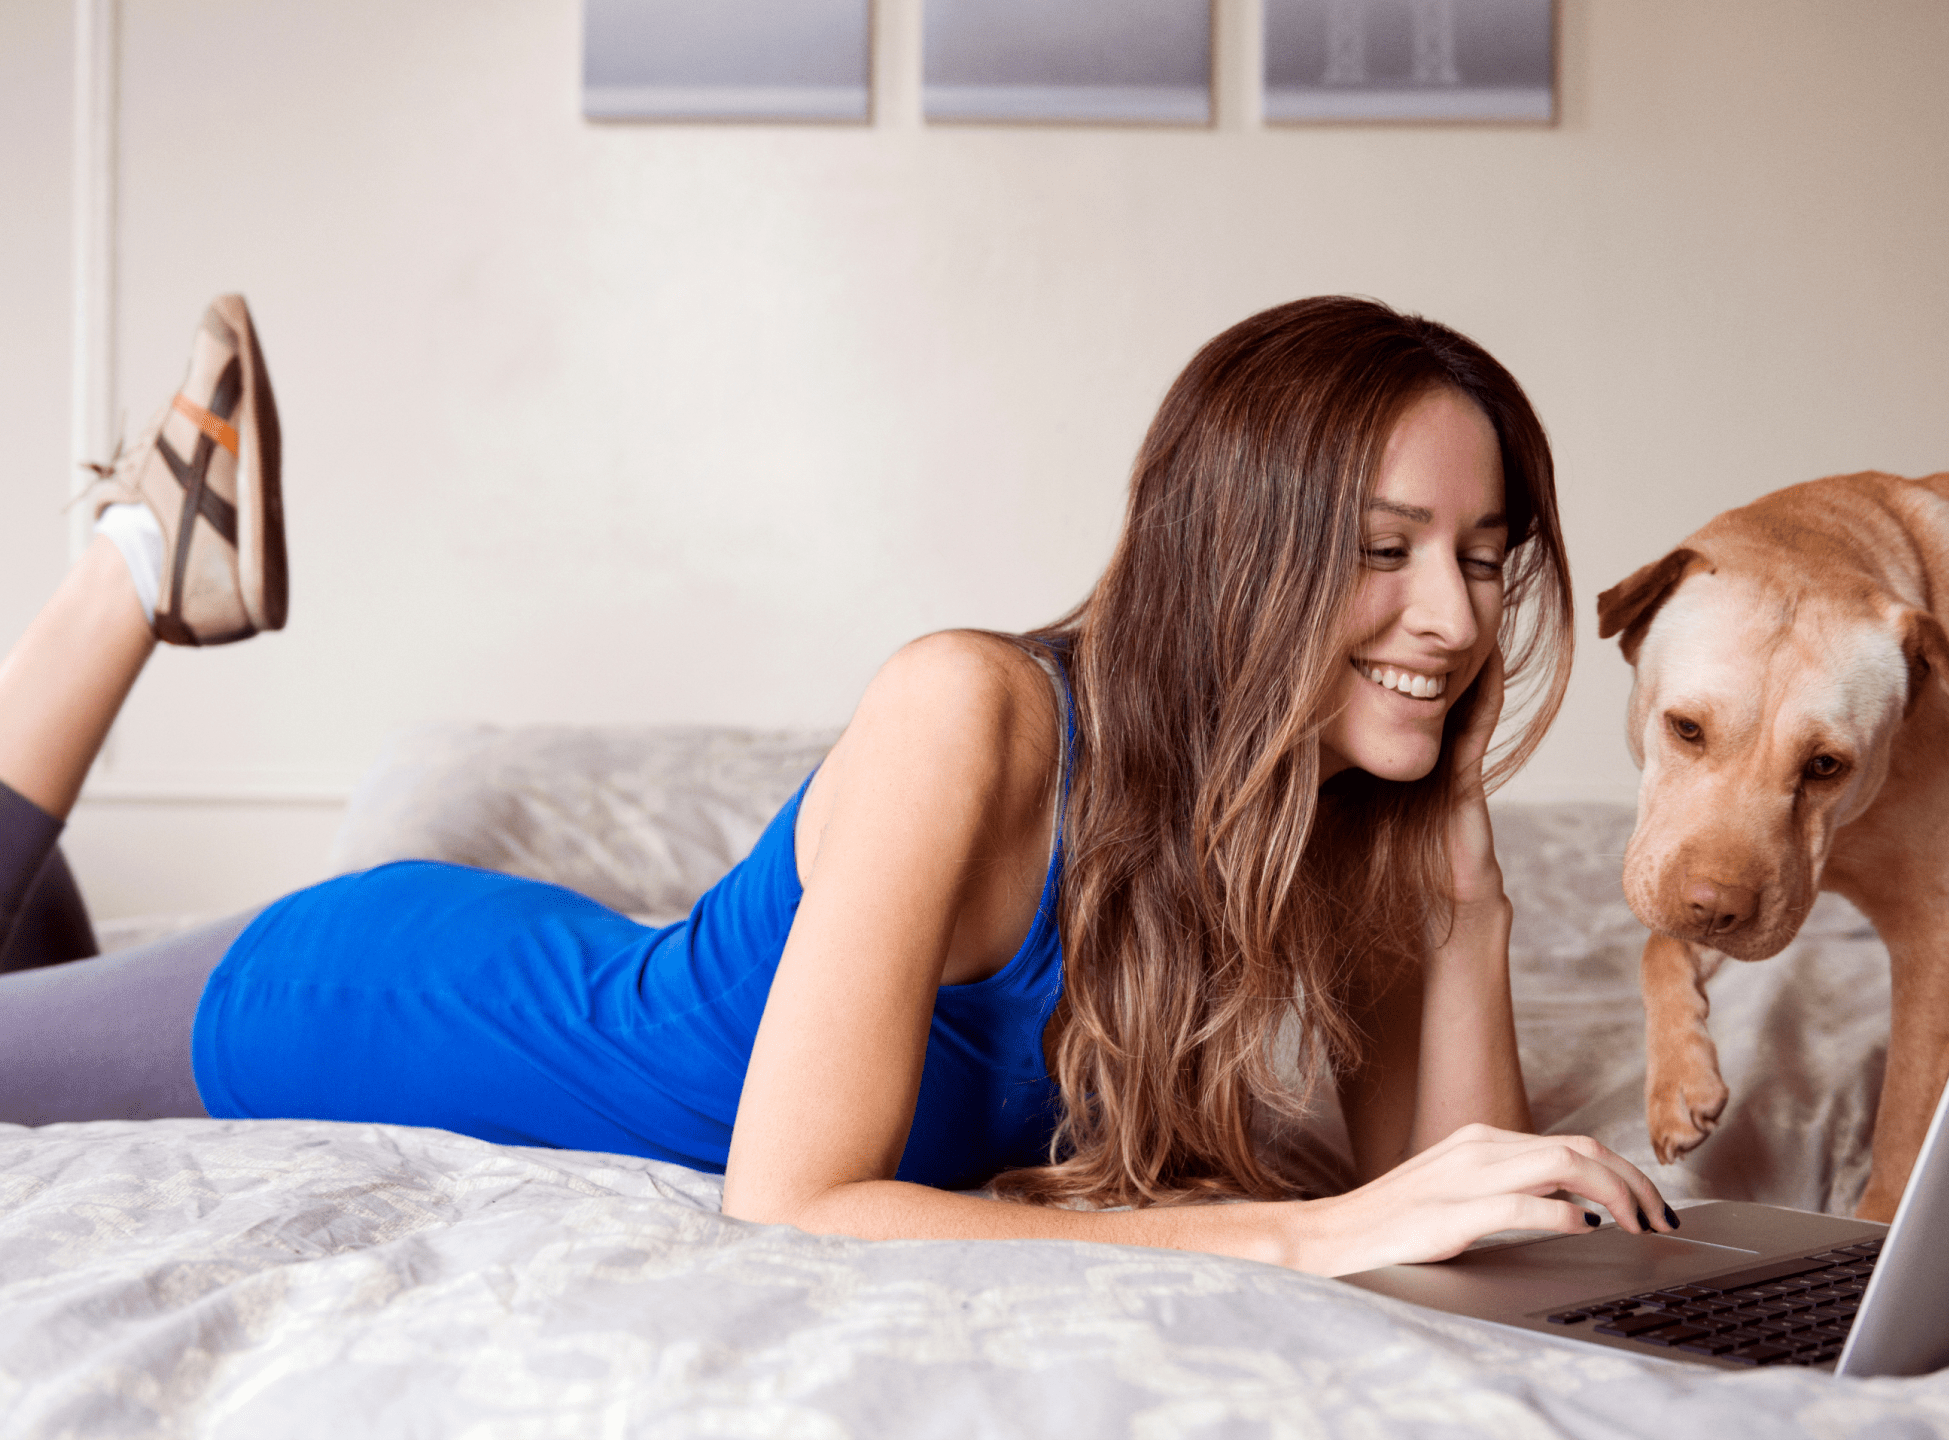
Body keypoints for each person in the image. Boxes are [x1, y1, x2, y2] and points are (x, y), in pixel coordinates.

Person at [0, 294, 1673, 1276]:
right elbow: (795, 1199)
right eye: (1386, 552)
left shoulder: (1320, 807)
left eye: (1484, 556)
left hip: (512, 973)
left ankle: (146, 564)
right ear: (1239, 555)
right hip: (376, 1000)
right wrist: (1300, 1237)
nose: (1456, 620)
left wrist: (1461, 885)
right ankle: (127, 577)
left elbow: (1460, 1210)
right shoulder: (972, 712)